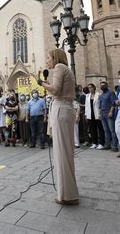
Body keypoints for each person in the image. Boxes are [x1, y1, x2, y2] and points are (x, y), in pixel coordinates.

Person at [40, 48, 79, 205]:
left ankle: (66, 195)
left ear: (55, 58)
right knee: (65, 153)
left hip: (61, 109)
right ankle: (68, 191)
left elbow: (56, 91)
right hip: (65, 109)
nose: (47, 61)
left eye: (49, 58)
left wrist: (42, 83)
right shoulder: (66, 69)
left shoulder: (59, 68)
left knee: (62, 154)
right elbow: (59, 89)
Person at [99, 81, 118, 151]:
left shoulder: (111, 92)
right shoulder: (101, 95)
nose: (102, 86)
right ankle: (107, 144)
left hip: (109, 112)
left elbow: (114, 102)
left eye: (103, 85)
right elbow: (100, 105)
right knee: (106, 130)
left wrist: (111, 111)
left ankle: (114, 145)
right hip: (103, 113)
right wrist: (100, 114)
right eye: (101, 85)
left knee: (112, 130)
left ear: (106, 85)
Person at [84, 83, 105, 150]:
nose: (90, 89)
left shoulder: (98, 95)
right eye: (89, 88)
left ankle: (101, 143)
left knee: (100, 129)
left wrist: (101, 112)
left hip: (97, 114)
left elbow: (101, 104)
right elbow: (86, 106)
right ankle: (94, 143)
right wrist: (86, 114)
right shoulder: (87, 96)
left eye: (91, 87)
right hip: (90, 114)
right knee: (92, 129)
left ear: (94, 88)